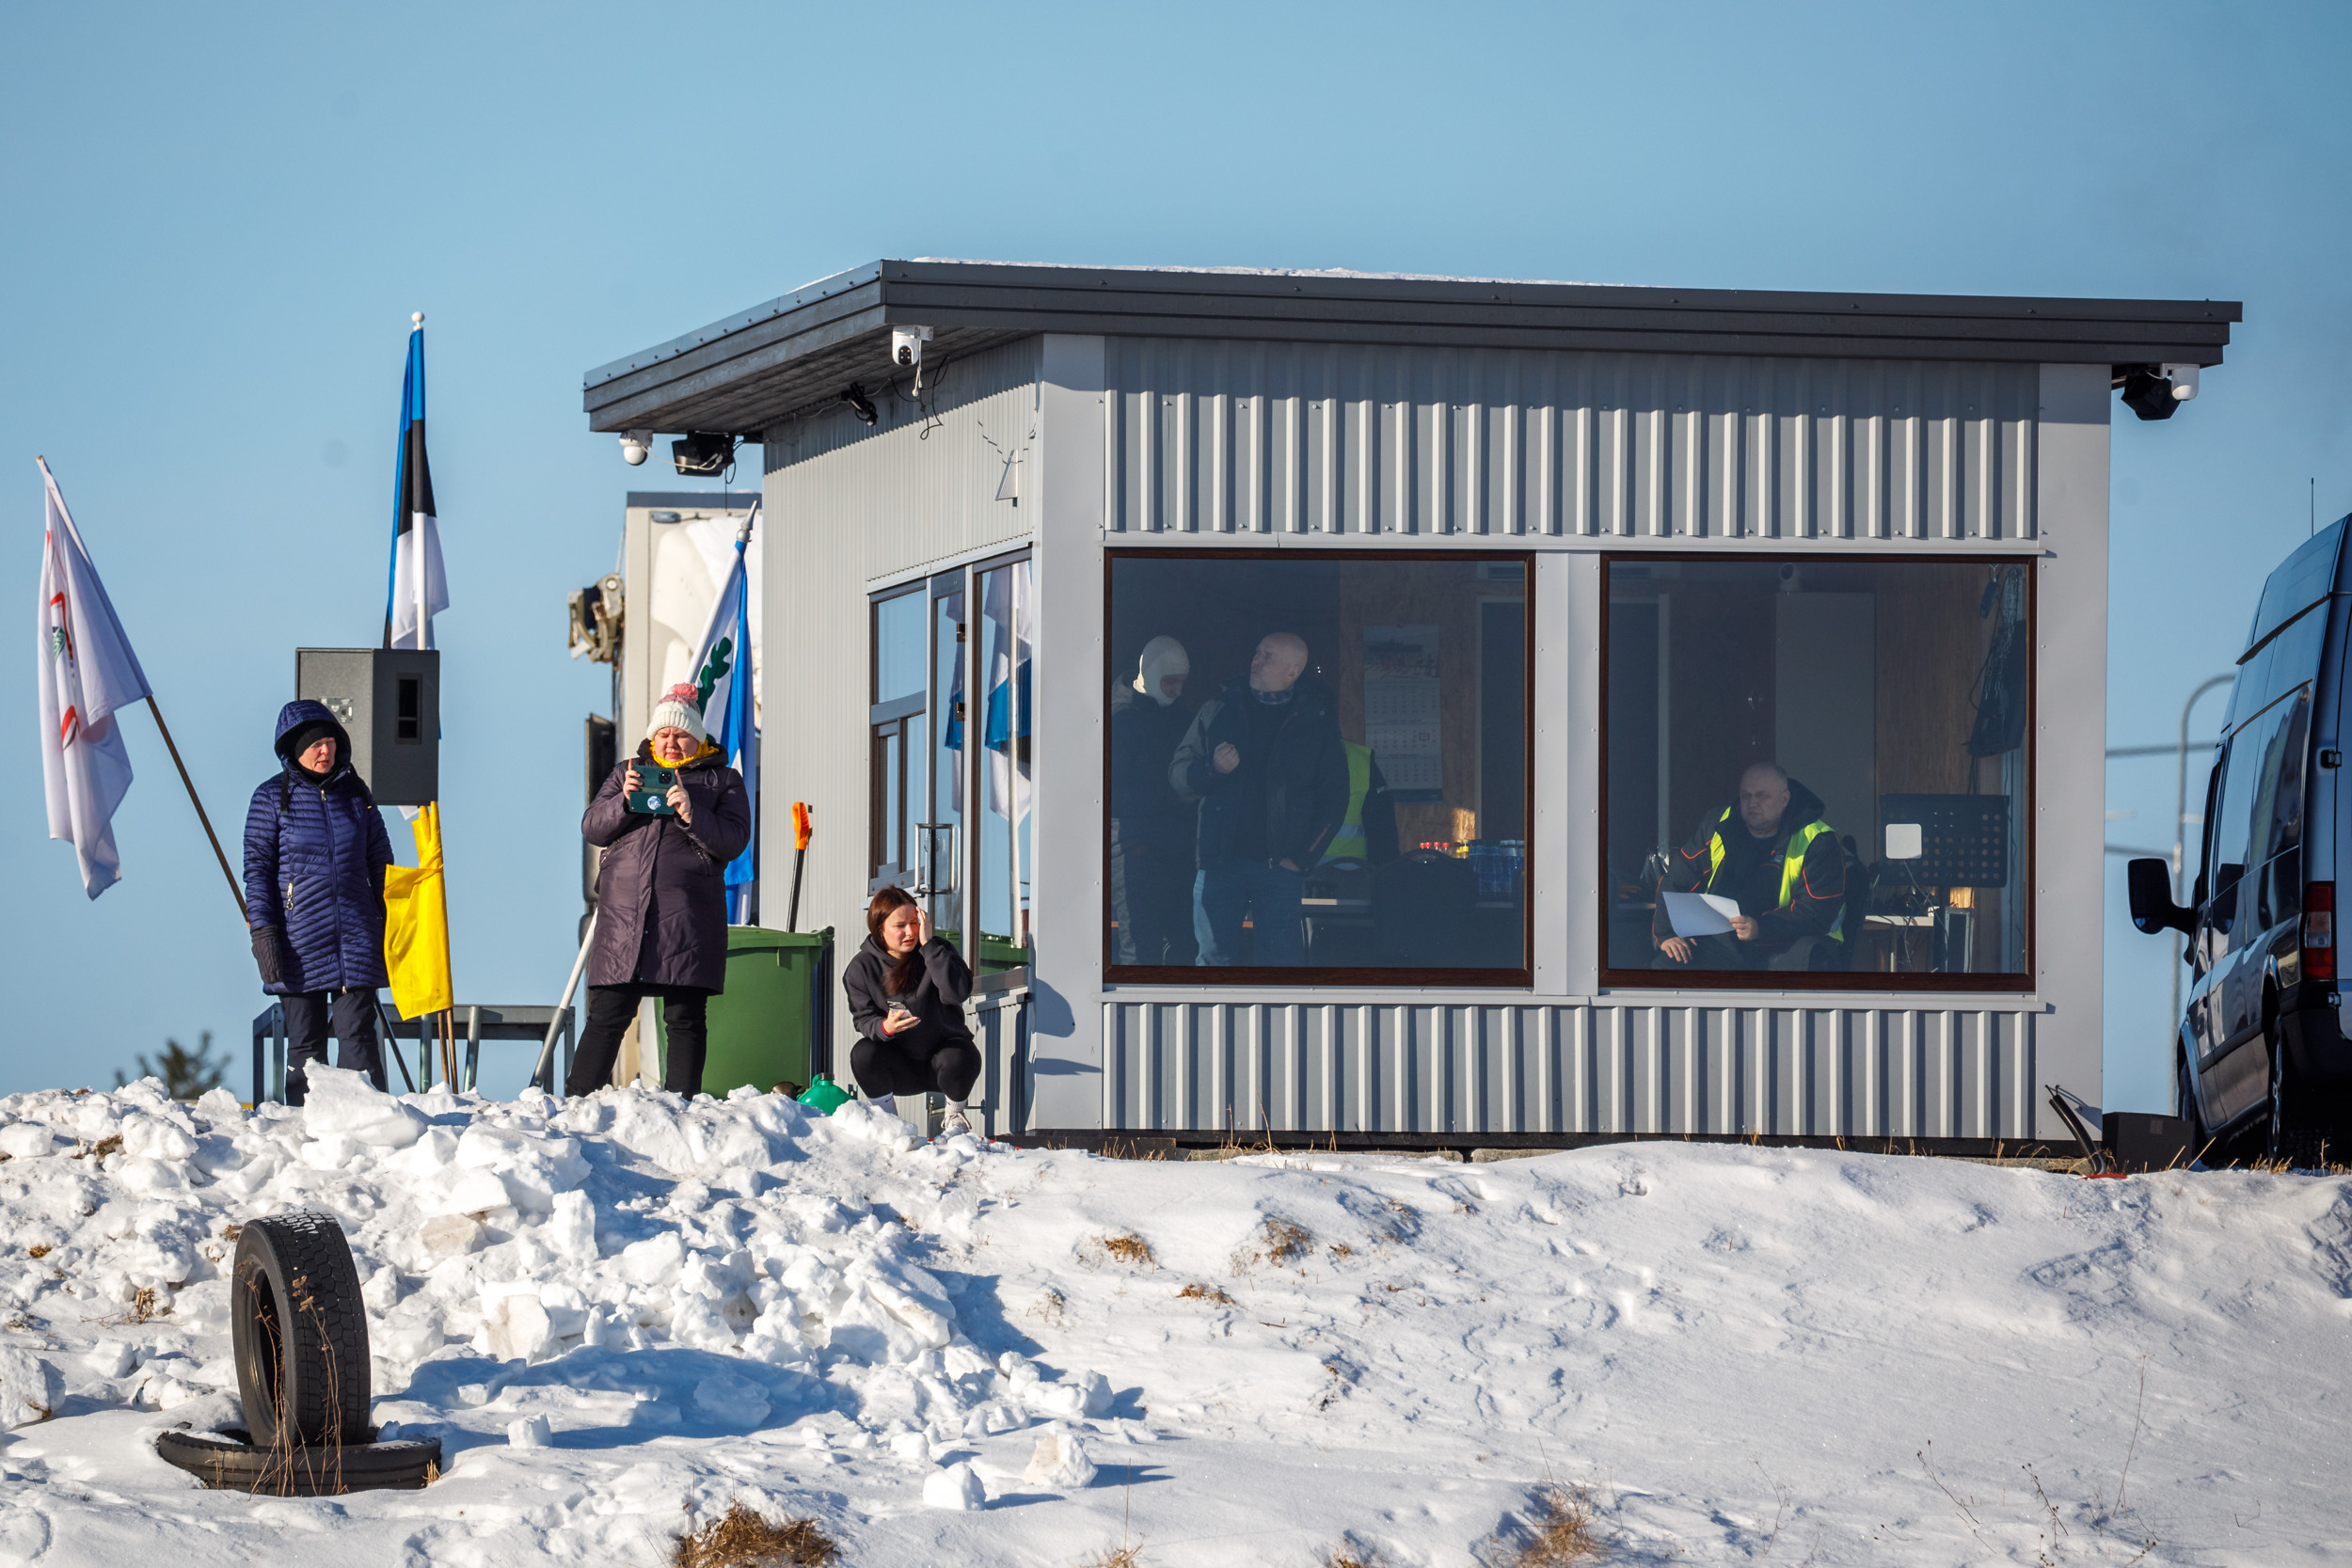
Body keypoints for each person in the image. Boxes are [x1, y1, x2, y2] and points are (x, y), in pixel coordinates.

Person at [565, 684, 753, 1098]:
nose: (670, 742)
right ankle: (578, 1101)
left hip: (688, 917)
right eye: (663, 734)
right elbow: (592, 827)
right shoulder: (627, 772)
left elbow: (734, 841)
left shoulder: (723, 781)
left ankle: (680, 1103)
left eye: (680, 734)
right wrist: (624, 801)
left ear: (698, 738)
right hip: (624, 917)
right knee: (608, 1013)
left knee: (685, 1017)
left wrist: (691, 812)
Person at [243, 699, 394, 1105]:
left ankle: (371, 1122)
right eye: (316, 745)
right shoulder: (270, 798)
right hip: (298, 941)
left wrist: (390, 922)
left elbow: (381, 861)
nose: (325, 751)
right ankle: (303, 1129)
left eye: (330, 742)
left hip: (357, 938)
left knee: (359, 1038)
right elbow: (257, 871)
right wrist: (264, 934)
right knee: (306, 1045)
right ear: (295, 750)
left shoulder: (357, 794)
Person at [1170, 631, 1348, 966]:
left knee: (1279, 968)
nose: (1257, 660)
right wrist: (1212, 769)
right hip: (1219, 865)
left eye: (1268, 656)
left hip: (1280, 870)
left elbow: (1335, 799)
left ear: (1292, 672)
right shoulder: (1219, 709)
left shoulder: (1316, 722)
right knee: (1213, 963)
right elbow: (1178, 776)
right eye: (1257, 652)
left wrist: (1301, 859)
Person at [1654, 761, 1845, 970]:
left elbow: (1816, 912)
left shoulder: (1817, 839)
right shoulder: (1719, 824)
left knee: (1812, 962)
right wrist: (1666, 935)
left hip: (1789, 943)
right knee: (1667, 965)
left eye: (1762, 796)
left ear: (1784, 799)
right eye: (1746, 795)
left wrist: (1761, 928)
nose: (1752, 803)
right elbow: (1676, 881)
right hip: (1725, 942)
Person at [843, 886, 982, 1135]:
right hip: (898, 1064)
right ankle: (889, 1123)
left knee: (963, 1054)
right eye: (900, 926)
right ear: (880, 930)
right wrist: (886, 1027)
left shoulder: (938, 950)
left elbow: (957, 993)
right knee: (863, 1054)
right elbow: (863, 1019)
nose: (910, 932)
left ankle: (954, 1118)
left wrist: (929, 946)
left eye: (914, 922)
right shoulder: (861, 968)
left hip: (943, 1061)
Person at [1110, 635, 1197, 965]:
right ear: (1152, 674)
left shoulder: (1185, 719)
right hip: (1134, 846)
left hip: (1179, 849)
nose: (1177, 690)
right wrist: (1177, 797)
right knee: (1140, 942)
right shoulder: (1119, 721)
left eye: (1182, 682)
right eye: (1170, 681)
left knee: (1186, 942)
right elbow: (1114, 793)